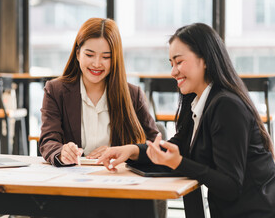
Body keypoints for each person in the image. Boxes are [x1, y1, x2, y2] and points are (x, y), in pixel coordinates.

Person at [98, 23, 275, 217]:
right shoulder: (200, 102)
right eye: (171, 64)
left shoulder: (226, 106)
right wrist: (131, 150)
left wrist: (179, 163)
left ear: (205, 59)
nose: (173, 72)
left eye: (179, 62)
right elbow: (177, 146)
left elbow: (230, 185)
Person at [39, 17, 159, 167]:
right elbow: (48, 141)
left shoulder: (133, 94)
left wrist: (120, 151)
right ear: (77, 54)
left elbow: (156, 145)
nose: (96, 64)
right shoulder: (56, 91)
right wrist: (62, 151)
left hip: (117, 180)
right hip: (72, 179)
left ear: (115, 59)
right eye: (89, 55)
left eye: (106, 57)